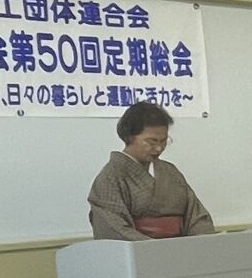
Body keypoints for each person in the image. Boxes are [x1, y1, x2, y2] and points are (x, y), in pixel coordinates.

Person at [87, 101, 215, 240]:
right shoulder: (111, 177)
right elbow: (113, 228)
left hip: (181, 249)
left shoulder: (170, 171)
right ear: (130, 137)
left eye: (163, 141)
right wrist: (155, 248)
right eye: (152, 141)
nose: (159, 148)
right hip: (141, 250)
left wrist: (200, 242)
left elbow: (197, 216)